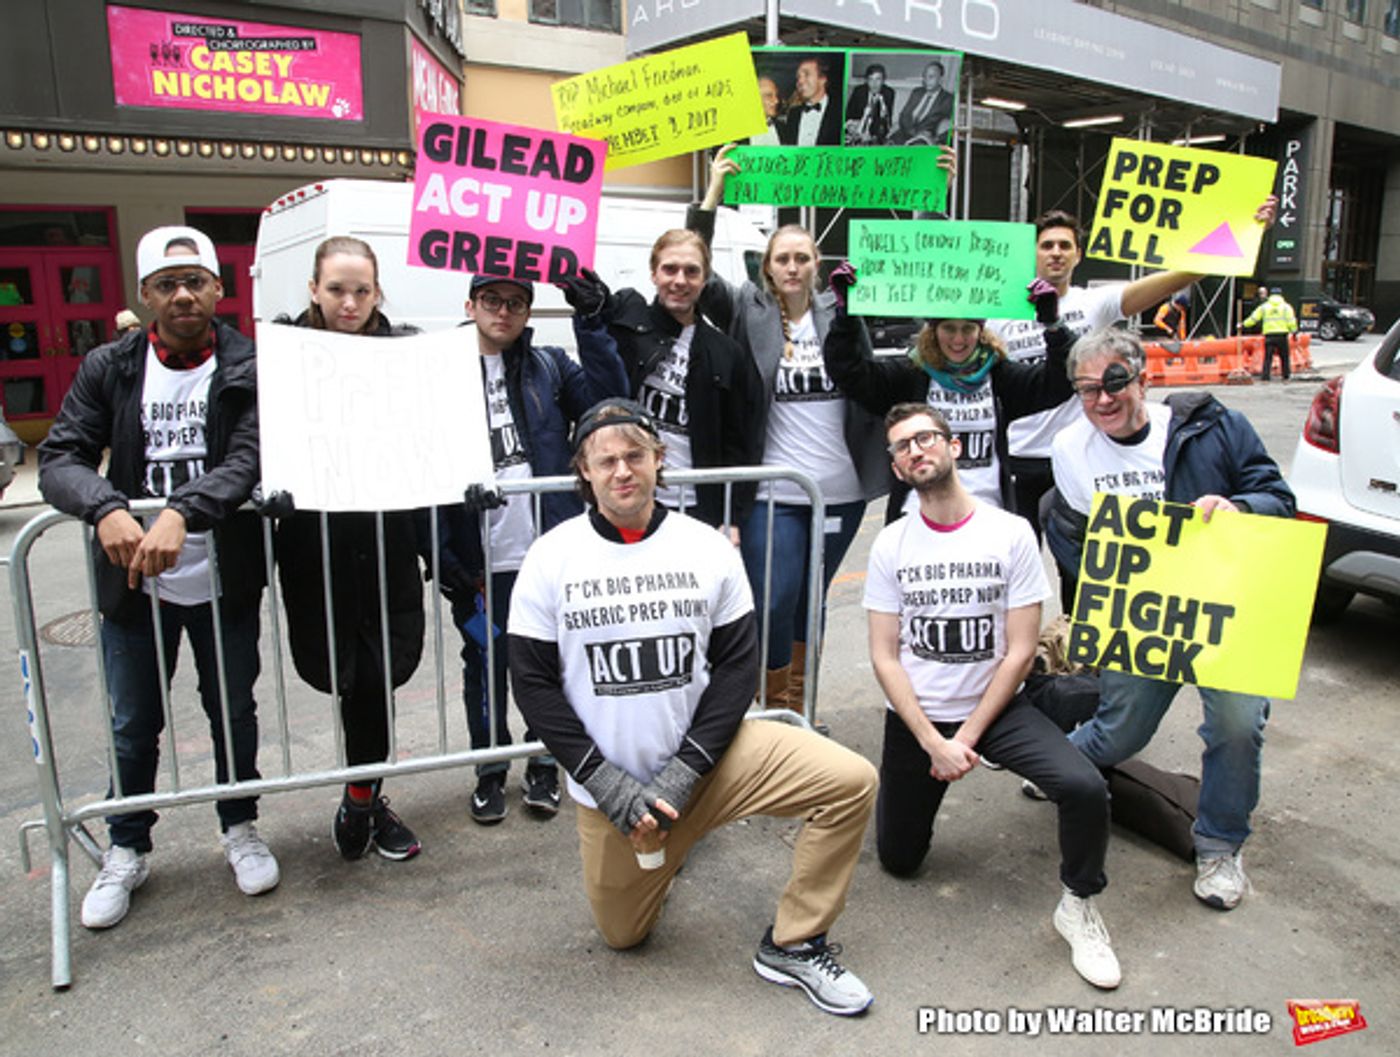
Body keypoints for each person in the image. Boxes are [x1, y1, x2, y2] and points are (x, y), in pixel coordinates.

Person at [507, 400, 879, 1016]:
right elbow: (533, 684)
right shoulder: (551, 556)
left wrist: (685, 771)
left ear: (659, 459)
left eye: (635, 455)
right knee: (623, 935)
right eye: (606, 461)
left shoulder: (705, 546)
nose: (622, 471)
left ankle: (795, 942)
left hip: (713, 763)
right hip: (616, 788)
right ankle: (667, 850)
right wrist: (605, 783)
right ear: (584, 472)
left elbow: (736, 667)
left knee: (850, 781)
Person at [38, 225, 276, 928]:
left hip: (223, 577)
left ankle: (240, 826)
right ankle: (127, 846)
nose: (182, 295)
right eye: (167, 284)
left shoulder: (247, 363)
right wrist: (105, 506)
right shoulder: (109, 367)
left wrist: (182, 511)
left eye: (195, 281)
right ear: (144, 295)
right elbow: (60, 457)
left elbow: (251, 456)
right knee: (133, 721)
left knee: (232, 712)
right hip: (133, 582)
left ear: (218, 288)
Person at [866, 403, 1118, 988]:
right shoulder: (892, 544)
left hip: (998, 709)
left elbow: (1022, 650)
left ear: (954, 446)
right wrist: (933, 742)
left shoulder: (1010, 532)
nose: (916, 450)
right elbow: (884, 656)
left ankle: (1079, 904)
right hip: (918, 721)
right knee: (899, 861)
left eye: (926, 437)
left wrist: (968, 738)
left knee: (1084, 787)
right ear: (898, 468)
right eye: (902, 446)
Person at [1045, 328, 1295, 911]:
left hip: (1228, 610)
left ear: (1143, 378)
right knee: (1121, 732)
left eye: (1114, 382)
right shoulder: (1070, 448)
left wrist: (1238, 507)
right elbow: (1077, 537)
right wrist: (1101, 613)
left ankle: (1219, 846)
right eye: (1086, 389)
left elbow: (1278, 498)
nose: (1103, 400)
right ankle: (1058, 764)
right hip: (1146, 617)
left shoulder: (1215, 427)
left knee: (1237, 726)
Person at [687, 145, 891, 713]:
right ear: (768, 266)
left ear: (816, 264)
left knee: (810, 601)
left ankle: (799, 710)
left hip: (841, 491)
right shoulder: (745, 309)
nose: (793, 267)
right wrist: (713, 194)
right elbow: (696, 268)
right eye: (783, 258)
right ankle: (765, 705)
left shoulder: (844, 308)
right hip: (774, 490)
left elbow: (909, 278)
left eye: (803, 257)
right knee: (773, 598)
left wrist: (935, 199)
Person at [435, 272, 628, 824]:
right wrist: (444, 557)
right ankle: (490, 769)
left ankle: (545, 760)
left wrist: (592, 320)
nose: (503, 311)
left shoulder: (550, 366)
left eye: (516, 303)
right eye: (492, 300)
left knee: (553, 665)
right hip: (479, 558)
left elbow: (609, 405)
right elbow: (421, 465)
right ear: (470, 304)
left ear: (528, 312)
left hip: (546, 552)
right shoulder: (440, 372)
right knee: (485, 664)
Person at [986, 201, 1277, 540]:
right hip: (1020, 455)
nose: (1056, 253)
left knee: (1086, 559)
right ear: (1033, 253)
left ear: (1078, 255)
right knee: (1019, 557)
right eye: (1046, 245)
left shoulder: (1096, 302)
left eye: (1065, 245)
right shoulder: (1001, 312)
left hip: (1087, 452)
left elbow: (1180, 275)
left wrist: (1248, 230)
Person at [272, 236, 425, 862]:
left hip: (387, 546)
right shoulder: (281, 355)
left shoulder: (406, 352)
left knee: (375, 679)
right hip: (317, 550)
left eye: (362, 290)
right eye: (336, 289)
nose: (350, 303)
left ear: (378, 291)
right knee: (344, 675)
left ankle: (364, 799)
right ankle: (250, 824)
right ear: (314, 288)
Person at [823, 266, 1073, 523]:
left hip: (986, 515)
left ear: (981, 332)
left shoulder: (1000, 376)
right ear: (934, 331)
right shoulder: (910, 375)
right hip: (919, 516)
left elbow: (1059, 383)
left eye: (968, 329)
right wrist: (845, 316)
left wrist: (1053, 325)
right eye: (949, 328)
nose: (958, 339)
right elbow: (850, 374)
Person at [562, 231, 760, 533]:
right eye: (670, 269)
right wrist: (592, 309)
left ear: (705, 279)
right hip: (625, 500)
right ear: (654, 273)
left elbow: (736, 444)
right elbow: (599, 343)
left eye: (691, 271)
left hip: (694, 505)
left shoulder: (726, 351)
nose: (680, 280)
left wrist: (731, 518)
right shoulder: (628, 316)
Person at [781, 56, 841, 147]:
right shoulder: (793, 114)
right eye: (798, 77)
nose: (800, 81)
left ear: (823, 79)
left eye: (807, 74)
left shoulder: (840, 112)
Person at [892, 61, 954, 146]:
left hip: (925, 140)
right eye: (925, 76)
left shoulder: (948, 99)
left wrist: (936, 139)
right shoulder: (917, 92)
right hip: (906, 133)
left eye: (931, 77)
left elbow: (951, 128)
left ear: (941, 79)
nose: (926, 80)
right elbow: (904, 115)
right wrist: (913, 132)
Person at [1242, 286, 1297, 381]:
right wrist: (1294, 331)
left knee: (1268, 357)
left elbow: (1253, 318)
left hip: (1269, 335)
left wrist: (1243, 324)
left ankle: (1266, 376)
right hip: (1282, 334)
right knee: (1284, 356)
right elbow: (1291, 321)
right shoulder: (1286, 307)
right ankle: (1285, 375)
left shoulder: (1264, 307)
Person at [844, 64, 895, 145]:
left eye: (878, 79)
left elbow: (885, 121)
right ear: (866, 81)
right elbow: (849, 114)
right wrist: (851, 126)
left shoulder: (888, 93)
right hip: (856, 128)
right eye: (871, 79)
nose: (874, 83)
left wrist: (872, 135)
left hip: (875, 133)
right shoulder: (859, 91)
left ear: (883, 81)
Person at [749, 76, 784, 147]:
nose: (776, 101)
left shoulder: (783, 128)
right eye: (769, 96)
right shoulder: (738, 131)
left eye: (776, 95)